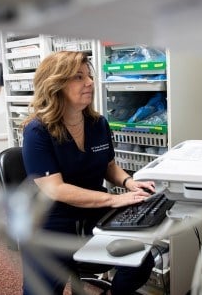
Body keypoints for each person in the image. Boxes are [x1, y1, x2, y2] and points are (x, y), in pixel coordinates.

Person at [21, 51, 156, 294]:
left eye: (89, 76)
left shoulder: (98, 124)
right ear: (56, 84)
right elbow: (55, 189)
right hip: (50, 224)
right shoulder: (37, 131)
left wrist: (128, 182)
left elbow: (108, 165)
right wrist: (114, 199)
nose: (90, 82)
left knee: (140, 262)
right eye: (79, 77)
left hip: (94, 215)